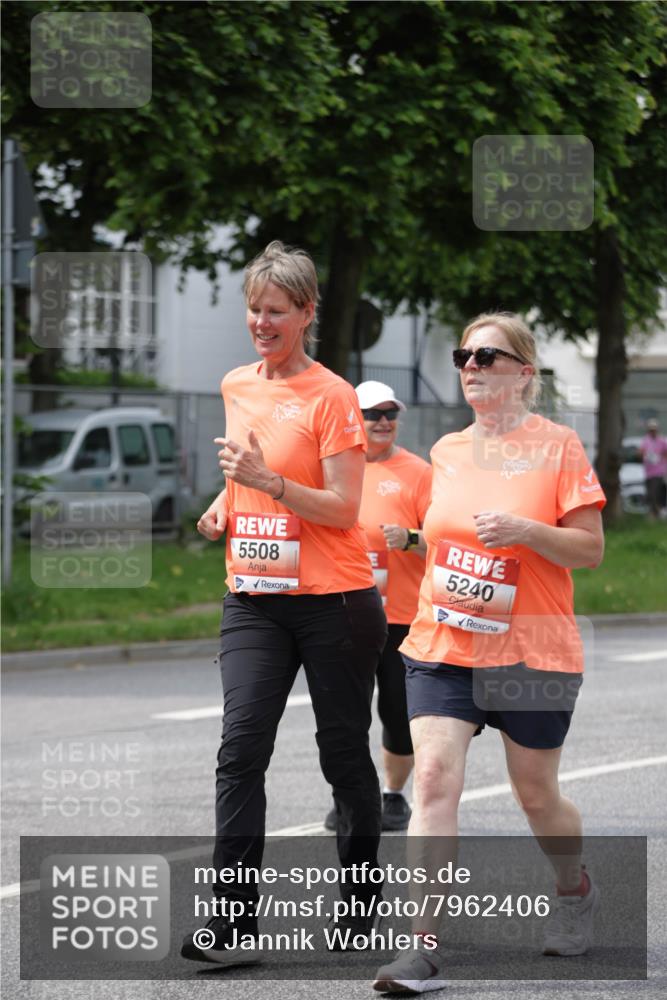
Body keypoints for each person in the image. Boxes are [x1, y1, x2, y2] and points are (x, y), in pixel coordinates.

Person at [373, 312, 606, 994]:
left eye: (487, 356)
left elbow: (589, 549)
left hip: (531, 651)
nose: (470, 365)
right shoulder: (446, 450)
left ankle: (572, 887)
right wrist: (410, 544)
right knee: (435, 780)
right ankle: (419, 948)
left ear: (523, 373)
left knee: (536, 797)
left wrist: (528, 531)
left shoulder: (557, 447)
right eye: (463, 355)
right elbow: (441, 539)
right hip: (443, 643)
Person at [181, 241, 387, 966]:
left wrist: (264, 485)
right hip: (254, 597)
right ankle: (232, 924)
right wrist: (223, 505)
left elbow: (340, 506)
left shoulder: (332, 396)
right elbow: (248, 473)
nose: (261, 322)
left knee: (341, 755)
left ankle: (361, 896)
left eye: (276, 311)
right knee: (240, 749)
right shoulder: (237, 384)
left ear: (306, 312)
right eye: (253, 309)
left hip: (334, 601)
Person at [323, 381, 432, 833]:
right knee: (344, 715)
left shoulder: (419, 473)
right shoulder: (331, 468)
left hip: (400, 616)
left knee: (396, 712)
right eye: (373, 414)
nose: (384, 421)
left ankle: (392, 796)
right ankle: (349, 798)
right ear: (355, 420)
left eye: (391, 413)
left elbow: (446, 543)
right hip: (341, 611)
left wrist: (409, 540)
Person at [640, 418, 667, 519]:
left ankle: (655, 513)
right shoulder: (646, 440)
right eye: (651, 429)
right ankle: (655, 512)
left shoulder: (662, 440)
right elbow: (640, 452)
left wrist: (660, 458)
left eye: (654, 429)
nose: (653, 431)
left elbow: (665, 453)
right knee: (651, 493)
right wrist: (646, 455)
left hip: (659, 472)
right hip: (648, 472)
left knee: (656, 493)